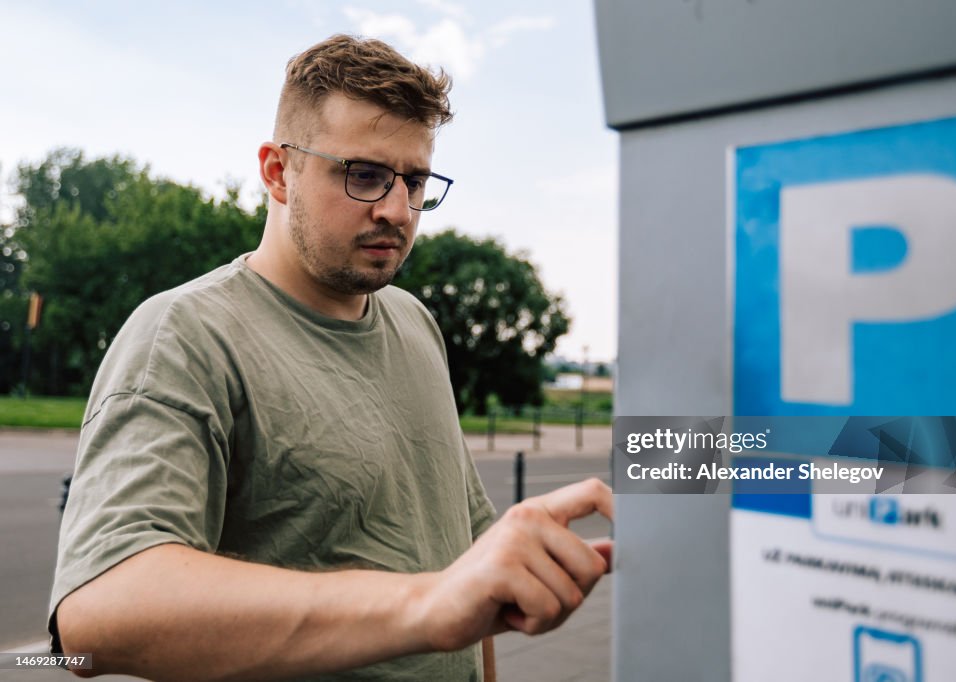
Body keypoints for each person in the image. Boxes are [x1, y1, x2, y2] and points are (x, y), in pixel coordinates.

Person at [49, 34, 613, 682]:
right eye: (364, 175)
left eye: (416, 180)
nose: (398, 210)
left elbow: (465, 566)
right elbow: (97, 615)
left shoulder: (415, 323)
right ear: (276, 171)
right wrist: (425, 606)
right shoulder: (185, 334)